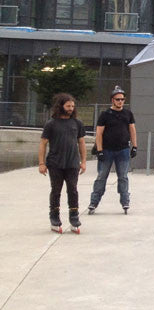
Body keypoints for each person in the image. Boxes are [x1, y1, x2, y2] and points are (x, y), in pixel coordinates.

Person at [38, 93, 87, 234]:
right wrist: (41, 163)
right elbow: (43, 143)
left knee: (72, 189)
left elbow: (81, 142)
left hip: (72, 164)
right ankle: (54, 217)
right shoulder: (51, 124)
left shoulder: (77, 123)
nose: (71, 108)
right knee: (56, 191)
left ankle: (74, 216)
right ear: (61, 106)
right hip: (55, 164)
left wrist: (83, 162)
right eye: (68, 106)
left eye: (72, 106)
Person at [88, 85, 137, 214]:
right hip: (107, 150)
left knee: (123, 177)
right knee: (101, 176)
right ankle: (94, 201)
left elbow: (132, 130)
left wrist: (134, 146)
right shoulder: (105, 115)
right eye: (117, 99)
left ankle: (125, 201)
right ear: (112, 100)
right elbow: (99, 133)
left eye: (122, 99)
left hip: (123, 150)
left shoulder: (128, 114)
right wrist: (99, 150)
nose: (120, 101)